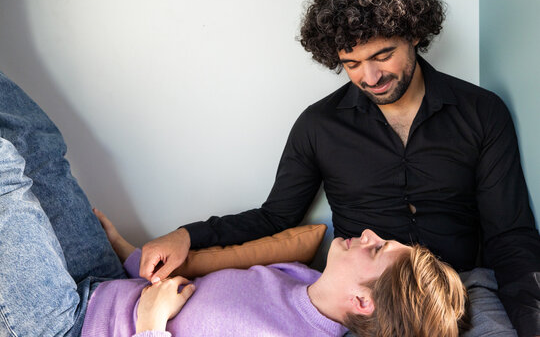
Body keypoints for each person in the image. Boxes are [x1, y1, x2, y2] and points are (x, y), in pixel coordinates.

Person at [138, 0, 540, 336]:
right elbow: (276, 217)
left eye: (382, 55)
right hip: (368, 311)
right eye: (351, 63)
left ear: (415, 34)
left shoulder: (481, 112)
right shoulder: (318, 126)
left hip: (463, 286)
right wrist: (186, 235)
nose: (370, 77)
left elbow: (511, 238)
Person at [0, 135, 468, 336]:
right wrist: (125, 250)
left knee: (5, 168)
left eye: (378, 249)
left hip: (70, 326)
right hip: (106, 282)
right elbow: (189, 291)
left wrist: (150, 328)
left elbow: (160, 315)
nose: (368, 233)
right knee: (38, 142)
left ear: (363, 302)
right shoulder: (296, 276)